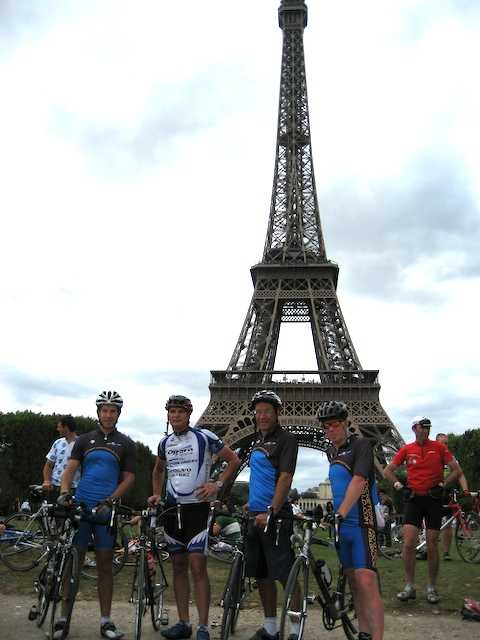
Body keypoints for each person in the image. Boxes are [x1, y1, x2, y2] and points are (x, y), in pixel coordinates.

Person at [148, 394, 240, 640]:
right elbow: (157, 470)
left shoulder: (205, 437)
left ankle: (203, 626)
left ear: (189, 414)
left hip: (197, 510)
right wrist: (156, 494)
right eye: (171, 411)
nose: (175, 415)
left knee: (198, 565)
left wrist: (216, 485)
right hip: (172, 509)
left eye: (180, 411)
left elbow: (233, 459)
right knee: (178, 566)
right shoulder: (164, 443)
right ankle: (184, 622)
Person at [58, 390, 136, 640]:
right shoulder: (84, 440)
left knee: (105, 567)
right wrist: (64, 492)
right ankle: (62, 617)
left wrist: (111, 500)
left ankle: (105, 621)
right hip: (81, 506)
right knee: (73, 565)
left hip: (105, 510)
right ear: (99, 412)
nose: (108, 414)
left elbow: (130, 478)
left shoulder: (125, 443)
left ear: (118, 414)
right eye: (105, 410)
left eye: (113, 411)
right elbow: (70, 470)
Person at [318, 400, 384, 640]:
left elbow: (358, 480)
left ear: (346, 422)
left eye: (334, 425)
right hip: (342, 527)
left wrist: (342, 511)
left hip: (361, 523)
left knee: (366, 580)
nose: (329, 430)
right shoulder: (331, 451)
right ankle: (364, 633)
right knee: (354, 582)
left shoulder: (362, 445)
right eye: (325, 427)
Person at [383, 416, 462, 604]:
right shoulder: (406, 449)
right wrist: (398, 485)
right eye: (422, 427)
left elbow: (456, 470)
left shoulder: (439, 447)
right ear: (414, 428)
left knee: (432, 542)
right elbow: (387, 471)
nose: (425, 430)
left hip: (434, 499)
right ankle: (409, 586)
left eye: (427, 427)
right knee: (409, 542)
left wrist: (443, 484)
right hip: (414, 500)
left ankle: (431, 587)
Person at [245, 390, 299, 640]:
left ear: (278, 413)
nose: (262, 416)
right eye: (259, 412)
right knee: (262, 574)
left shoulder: (287, 439)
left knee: (284, 573)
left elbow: (285, 477)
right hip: (256, 514)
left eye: (267, 411)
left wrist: (271, 512)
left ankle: (295, 631)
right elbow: (258, 478)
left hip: (274, 517)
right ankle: (270, 627)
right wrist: (250, 504)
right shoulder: (256, 441)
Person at [435, 433, 469, 561]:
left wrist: (465, 490)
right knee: (431, 522)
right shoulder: (433, 456)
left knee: (448, 523)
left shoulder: (451, 458)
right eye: (442, 443)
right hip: (434, 491)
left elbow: (460, 474)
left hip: (447, 492)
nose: (445, 446)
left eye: (446, 444)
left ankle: (446, 552)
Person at [42, 415, 80, 500]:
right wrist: (47, 481)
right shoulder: (58, 443)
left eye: (59, 427)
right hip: (55, 488)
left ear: (66, 427)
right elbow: (48, 465)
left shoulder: (81, 443)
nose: (57, 429)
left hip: (74, 489)